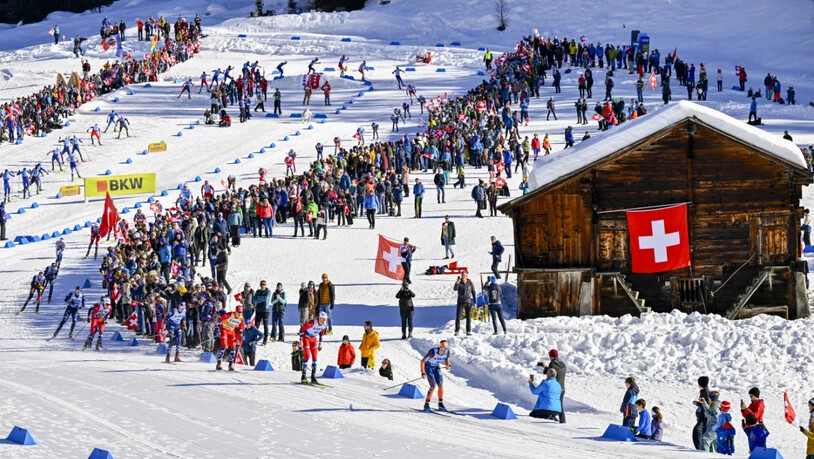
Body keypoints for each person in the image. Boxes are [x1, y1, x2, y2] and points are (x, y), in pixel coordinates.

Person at [421, 340, 451, 412]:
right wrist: (423, 373)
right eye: (443, 349)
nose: (445, 351)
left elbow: (447, 360)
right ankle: (426, 404)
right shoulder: (432, 352)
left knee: (440, 385)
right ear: (440, 347)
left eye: (446, 349)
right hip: (428, 367)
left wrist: (448, 365)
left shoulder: (447, 353)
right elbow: (422, 361)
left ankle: (440, 404)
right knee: (433, 386)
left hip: (436, 367)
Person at [298, 311, 328, 384]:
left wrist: (320, 343)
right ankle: (303, 376)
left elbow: (321, 334)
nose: (322, 321)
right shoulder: (312, 322)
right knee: (307, 356)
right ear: (319, 318)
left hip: (314, 339)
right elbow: (302, 330)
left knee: (315, 357)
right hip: (306, 338)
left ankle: (313, 377)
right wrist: (301, 341)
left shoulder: (324, 325)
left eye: (324, 319)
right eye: (321, 319)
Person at [539, 349, 567, 423]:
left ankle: (562, 421)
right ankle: (553, 416)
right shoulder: (562, 363)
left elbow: (550, 373)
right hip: (562, 388)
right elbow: (556, 372)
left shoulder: (552, 363)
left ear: (550, 355)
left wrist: (545, 368)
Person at [216, 306, 245, 371]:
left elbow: (241, 327)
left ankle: (231, 364)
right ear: (235, 311)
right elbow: (220, 319)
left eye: (241, 312)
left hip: (231, 332)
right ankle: (219, 363)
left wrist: (240, 331)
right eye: (238, 312)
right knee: (224, 346)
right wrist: (218, 326)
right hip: (224, 330)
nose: (239, 313)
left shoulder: (241, 318)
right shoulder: (230, 314)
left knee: (233, 347)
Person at [453, 272, 476, 336]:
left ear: (466, 276)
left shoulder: (470, 283)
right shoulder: (459, 283)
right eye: (462, 275)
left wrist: (475, 302)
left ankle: (468, 331)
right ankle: (457, 330)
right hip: (460, 302)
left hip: (468, 302)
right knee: (458, 317)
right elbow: (455, 289)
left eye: (464, 275)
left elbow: (473, 292)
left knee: (468, 317)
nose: (463, 276)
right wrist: (457, 283)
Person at [693, 376, 712, 449]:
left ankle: (699, 448)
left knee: (697, 430)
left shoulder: (706, 393)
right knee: (701, 431)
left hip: (704, 417)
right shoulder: (703, 391)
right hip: (702, 416)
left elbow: (706, 405)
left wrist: (697, 403)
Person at [253, 280, 271, 344]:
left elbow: (266, 299)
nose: (263, 286)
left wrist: (258, 298)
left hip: (265, 311)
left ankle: (265, 340)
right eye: (261, 284)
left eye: (264, 284)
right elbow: (254, 300)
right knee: (256, 325)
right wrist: (261, 299)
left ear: (265, 285)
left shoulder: (268, 291)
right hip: (258, 310)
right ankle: (255, 339)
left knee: (265, 325)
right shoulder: (258, 291)